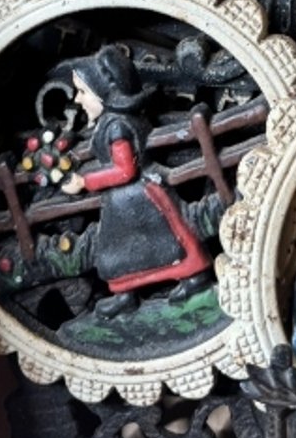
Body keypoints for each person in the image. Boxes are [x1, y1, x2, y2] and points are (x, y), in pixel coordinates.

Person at [57, 45, 213, 316]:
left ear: (102, 93)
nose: (78, 100)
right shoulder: (110, 122)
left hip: (138, 196)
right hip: (123, 202)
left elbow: (125, 170)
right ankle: (124, 293)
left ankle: (192, 277)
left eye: (82, 92)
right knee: (119, 250)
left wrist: (84, 182)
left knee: (164, 240)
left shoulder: (117, 126)